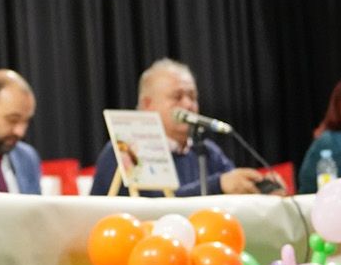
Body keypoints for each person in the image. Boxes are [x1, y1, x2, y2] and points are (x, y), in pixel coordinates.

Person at [90, 59, 271, 196]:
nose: (188, 104)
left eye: (192, 96)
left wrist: (259, 188)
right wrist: (219, 185)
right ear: (148, 105)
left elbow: (234, 194)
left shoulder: (207, 151)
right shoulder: (127, 148)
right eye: (177, 97)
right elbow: (155, 208)